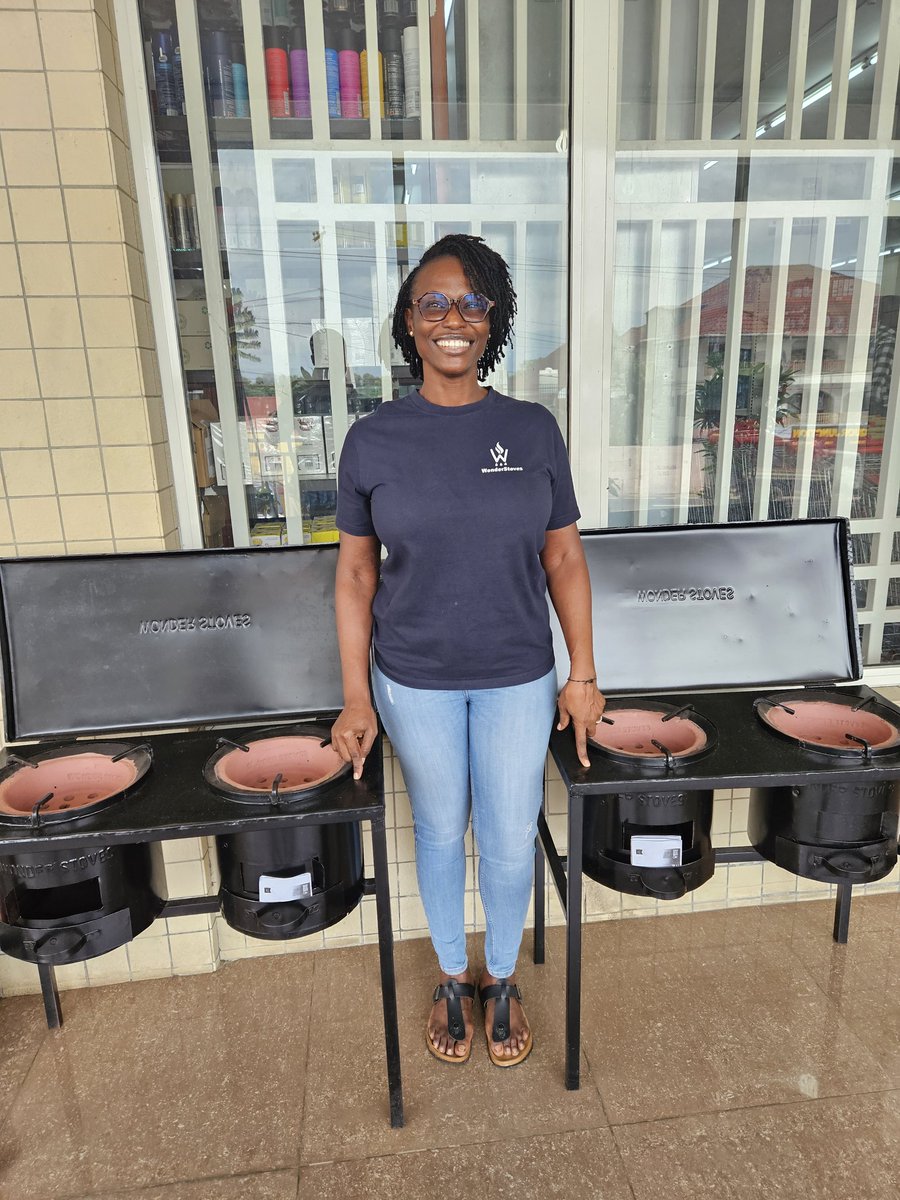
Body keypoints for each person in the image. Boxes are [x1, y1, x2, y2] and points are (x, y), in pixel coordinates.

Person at [331, 234, 605, 1067]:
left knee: (513, 834)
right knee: (442, 831)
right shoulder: (372, 440)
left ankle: (502, 975)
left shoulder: (530, 428)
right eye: (434, 305)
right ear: (409, 325)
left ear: (493, 322)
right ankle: (453, 972)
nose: (454, 319)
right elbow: (353, 575)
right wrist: (355, 697)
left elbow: (563, 556)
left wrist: (584, 673)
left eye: (473, 303)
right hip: (412, 678)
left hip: (519, 674)